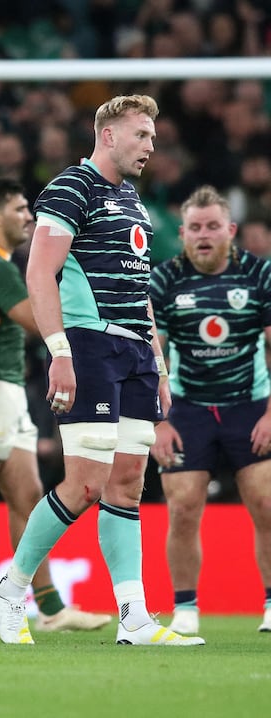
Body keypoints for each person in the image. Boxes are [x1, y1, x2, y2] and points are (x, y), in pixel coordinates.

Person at [0, 94, 205, 646]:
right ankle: (11, 589)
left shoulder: (133, 200)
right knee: (85, 484)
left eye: (154, 138)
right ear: (108, 135)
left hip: (133, 351)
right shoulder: (70, 188)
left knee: (128, 484)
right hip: (87, 345)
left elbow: (138, 292)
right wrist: (59, 351)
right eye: (141, 135)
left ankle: (134, 618)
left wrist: (157, 363)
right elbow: (39, 273)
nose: (150, 147)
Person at [0, 177, 111, 633]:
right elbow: (36, 322)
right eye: (21, 209)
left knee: (26, 498)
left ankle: (51, 607)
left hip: (7, 393)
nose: (30, 217)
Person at [149, 185, 271, 634]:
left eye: (213, 226)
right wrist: (158, 421)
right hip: (187, 408)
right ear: (182, 233)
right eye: (196, 228)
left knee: (266, 503)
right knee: (182, 507)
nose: (204, 235)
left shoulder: (260, 275)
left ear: (231, 230)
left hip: (250, 404)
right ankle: (185, 608)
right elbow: (151, 355)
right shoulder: (164, 280)